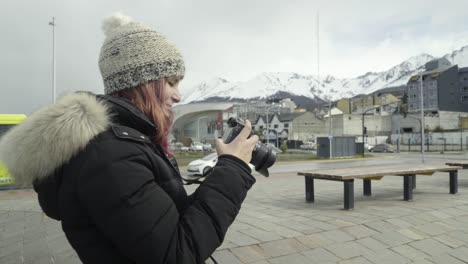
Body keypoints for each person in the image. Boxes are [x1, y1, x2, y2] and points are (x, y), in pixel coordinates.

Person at [0, 14, 259, 264]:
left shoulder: (125, 143)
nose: (179, 96)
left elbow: (170, 222)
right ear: (141, 83)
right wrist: (231, 170)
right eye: (171, 82)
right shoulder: (109, 155)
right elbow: (177, 253)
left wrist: (226, 168)